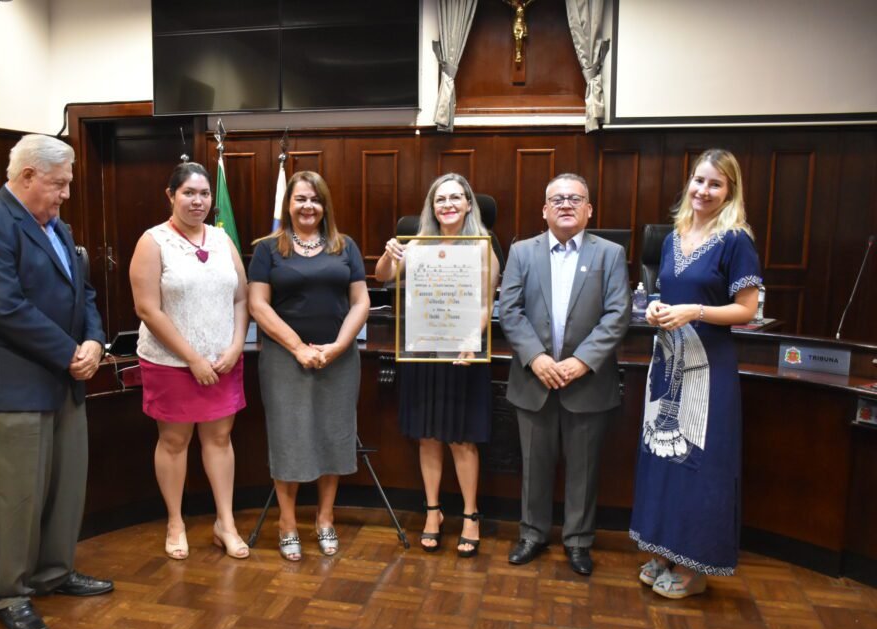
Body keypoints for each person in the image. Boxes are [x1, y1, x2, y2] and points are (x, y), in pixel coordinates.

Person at [0, 134, 112, 629]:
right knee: (16, 497)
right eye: (59, 184)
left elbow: (83, 291)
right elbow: (4, 307)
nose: (66, 193)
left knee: (66, 486)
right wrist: (70, 352)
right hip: (13, 387)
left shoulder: (56, 225)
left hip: (63, 380)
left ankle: (53, 573)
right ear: (27, 177)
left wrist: (94, 341)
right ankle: (11, 593)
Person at [629, 149, 761, 599]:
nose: (704, 191)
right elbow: (666, 292)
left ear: (730, 192)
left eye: (715, 184)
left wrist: (696, 311)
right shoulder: (672, 236)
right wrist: (654, 307)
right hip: (666, 361)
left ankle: (694, 564)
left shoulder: (736, 240)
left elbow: (747, 309)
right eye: (699, 181)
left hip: (711, 369)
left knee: (699, 462)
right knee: (664, 458)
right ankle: (665, 548)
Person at [498, 172, 631, 576]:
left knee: (584, 468)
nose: (566, 204)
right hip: (533, 379)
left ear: (589, 210)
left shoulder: (609, 253)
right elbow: (510, 309)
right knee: (534, 464)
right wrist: (536, 358)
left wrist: (583, 361)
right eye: (557, 199)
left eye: (575, 198)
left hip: (587, 381)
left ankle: (578, 541)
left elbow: (617, 313)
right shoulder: (522, 252)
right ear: (544, 209)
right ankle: (532, 534)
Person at [374, 173, 502, 557]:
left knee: (461, 439)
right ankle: (433, 512)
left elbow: (486, 304)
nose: (447, 204)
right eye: (439, 199)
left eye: (455, 198)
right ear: (432, 206)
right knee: (428, 436)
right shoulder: (418, 244)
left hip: (462, 354)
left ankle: (470, 515)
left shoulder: (483, 246)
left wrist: (470, 339)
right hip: (423, 351)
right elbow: (383, 278)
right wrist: (388, 255)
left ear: (468, 205)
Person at [129, 162, 250, 561]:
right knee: (175, 441)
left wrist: (235, 346)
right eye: (188, 193)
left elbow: (241, 296)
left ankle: (225, 523)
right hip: (171, 362)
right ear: (171, 196)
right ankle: (176, 521)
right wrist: (193, 358)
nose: (198, 201)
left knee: (219, 439)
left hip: (223, 362)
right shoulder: (153, 241)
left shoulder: (221, 239)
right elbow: (148, 310)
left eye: (203, 194)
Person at [247, 170, 370, 562]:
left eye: (315, 199)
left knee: (334, 434)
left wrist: (338, 346)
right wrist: (298, 347)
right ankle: (286, 524)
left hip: (338, 359)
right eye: (300, 199)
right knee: (289, 438)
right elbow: (258, 306)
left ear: (325, 205)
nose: (308, 206)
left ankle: (325, 518)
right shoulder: (268, 249)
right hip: (285, 359)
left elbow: (361, 302)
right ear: (288, 204)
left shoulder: (344, 245)